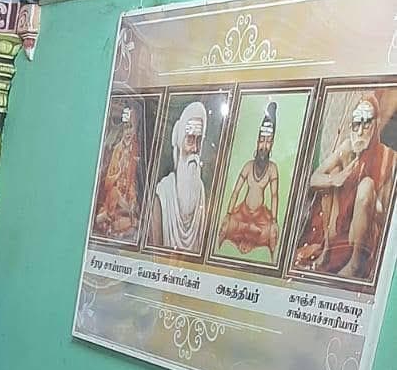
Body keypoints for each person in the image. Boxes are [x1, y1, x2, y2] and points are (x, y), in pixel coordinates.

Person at [295, 93, 397, 281]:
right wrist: (336, 179)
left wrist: (371, 202)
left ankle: (355, 263)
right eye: (356, 124)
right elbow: (313, 179)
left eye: (366, 123)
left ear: (376, 124)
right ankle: (326, 251)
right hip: (337, 230)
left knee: (366, 186)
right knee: (328, 181)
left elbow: (387, 217)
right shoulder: (347, 147)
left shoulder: (388, 158)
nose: (360, 132)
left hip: (363, 235)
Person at [218, 102, 280, 258]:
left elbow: (274, 196)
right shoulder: (248, 166)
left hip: (260, 218)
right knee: (226, 227)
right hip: (243, 214)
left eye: (268, 141)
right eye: (262, 140)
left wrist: (273, 220)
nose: (264, 146)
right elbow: (236, 191)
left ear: (272, 144)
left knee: (271, 234)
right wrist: (228, 213)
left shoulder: (272, 168)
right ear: (257, 141)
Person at [150, 100, 209, 255]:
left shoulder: (201, 191)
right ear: (180, 139)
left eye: (198, 141)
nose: (195, 149)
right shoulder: (163, 193)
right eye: (190, 139)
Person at [92, 103, 141, 239]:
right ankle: (108, 219)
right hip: (113, 199)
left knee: (132, 221)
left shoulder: (134, 150)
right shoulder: (117, 150)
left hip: (124, 203)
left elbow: (131, 181)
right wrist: (118, 174)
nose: (128, 132)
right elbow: (108, 183)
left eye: (131, 127)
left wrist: (131, 200)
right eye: (125, 128)